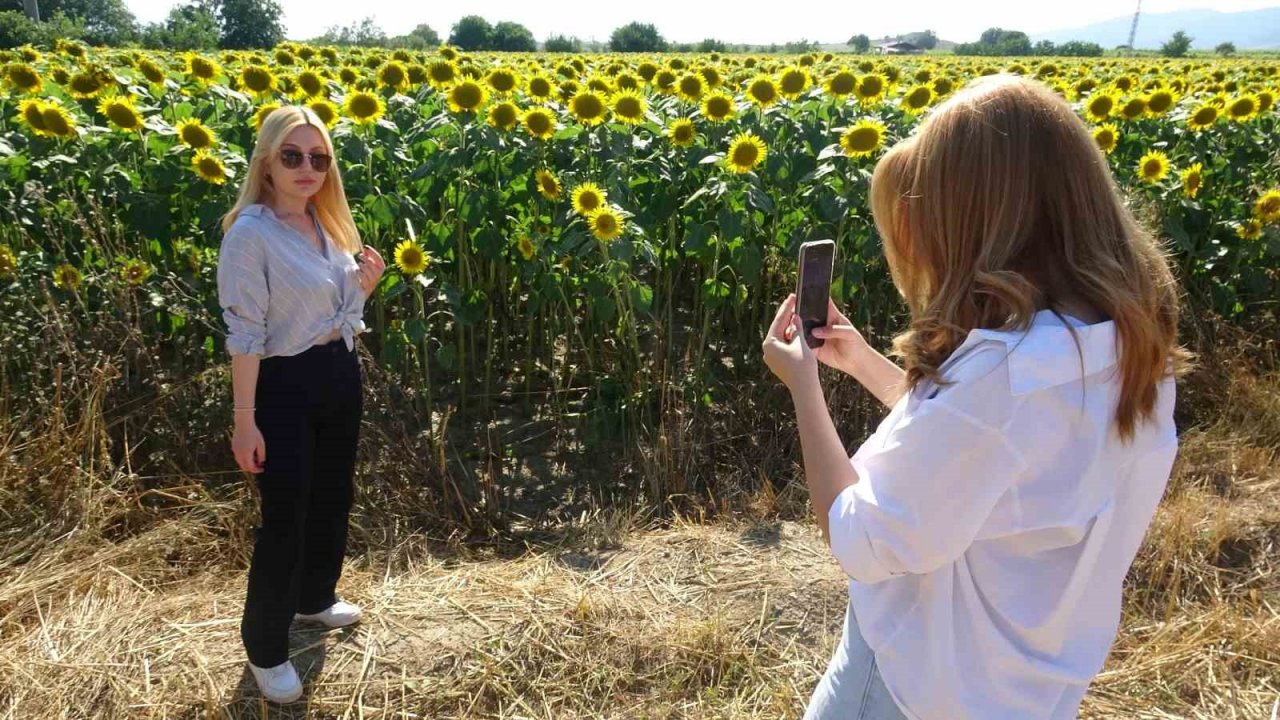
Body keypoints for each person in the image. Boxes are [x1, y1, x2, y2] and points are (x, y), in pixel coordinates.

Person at [763, 75, 1189, 719]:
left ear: (983, 219)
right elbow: (988, 458)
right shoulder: (1128, 344)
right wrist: (862, 363)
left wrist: (805, 387)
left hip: (915, 683)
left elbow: (860, 537)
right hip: (1027, 687)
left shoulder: (1001, 373)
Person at [216, 105, 386, 703]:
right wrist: (245, 420)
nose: (307, 168)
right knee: (285, 516)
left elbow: (337, 314)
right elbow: (245, 334)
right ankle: (265, 647)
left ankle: (313, 600)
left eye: (319, 157)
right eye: (293, 156)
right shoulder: (249, 235)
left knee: (332, 494)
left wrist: (361, 287)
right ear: (266, 162)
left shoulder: (329, 225)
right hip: (281, 383)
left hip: (338, 370)